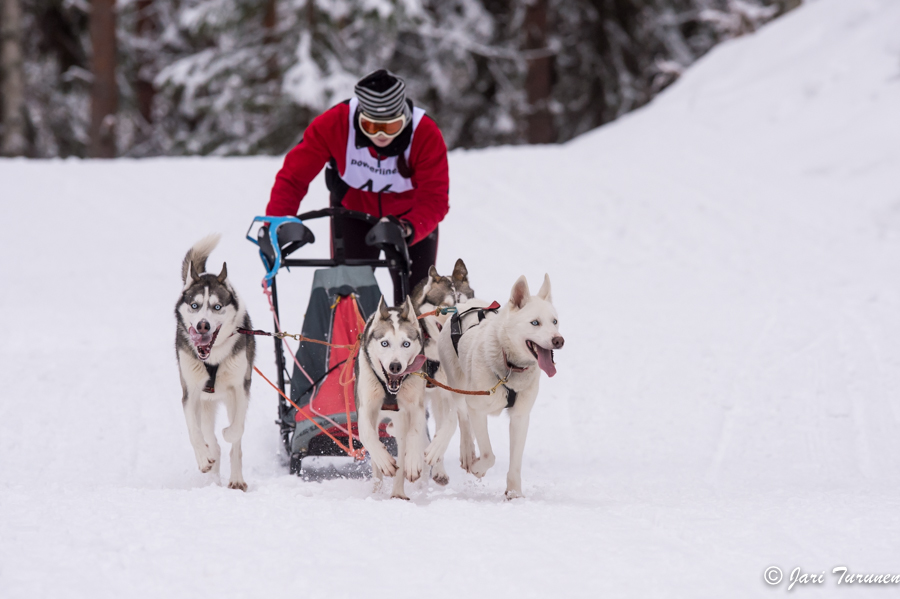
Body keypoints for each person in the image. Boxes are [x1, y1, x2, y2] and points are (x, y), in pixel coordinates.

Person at [266, 69, 450, 305]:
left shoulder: (425, 133)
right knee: (349, 295)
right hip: (354, 213)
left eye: (392, 127)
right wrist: (277, 223)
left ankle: (419, 338)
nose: (382, 135)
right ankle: (353, 339)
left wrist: (407, 228)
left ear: (404, 118)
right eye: (371, 127)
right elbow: (294, 176)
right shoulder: (335, 123)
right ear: (359, 118)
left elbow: (435, 198)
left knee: (417, 299)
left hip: (409, 219)